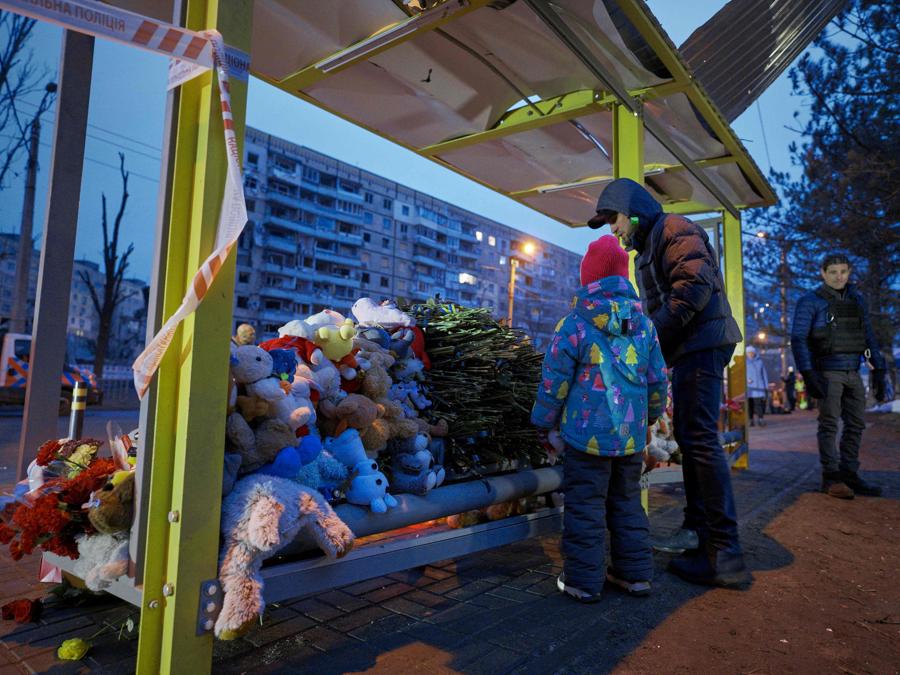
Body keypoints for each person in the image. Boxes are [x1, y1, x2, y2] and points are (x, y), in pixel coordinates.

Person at [588, 177, 751, 588]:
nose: (613, 229)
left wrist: (649, 336)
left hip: (703, 343)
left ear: (632, 209)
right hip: (692, 346)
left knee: (698, 438)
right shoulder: (651, 244)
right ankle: (698, 531)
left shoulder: (673, 229)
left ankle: (724, 551)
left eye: (614, 219)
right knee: (692, 436)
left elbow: (692, 286)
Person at [531, 235, 667, 602]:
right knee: (627, 503)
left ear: (587, 279)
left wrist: (543, 422)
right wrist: (650, 418)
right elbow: (657, 379)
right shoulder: (645, 326)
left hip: (585, 437)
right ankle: (634, 575)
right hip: (629, 438)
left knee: (585, 507)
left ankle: (583, 582)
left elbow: (553, 381)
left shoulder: (574, 324)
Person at [790, 253, 887, 499]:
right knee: (829, 424)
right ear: (823, 273)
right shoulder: (810, 301)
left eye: (843, 271)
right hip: (828, 371)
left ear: (849, 272)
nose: (838, 276)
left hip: (854, 371)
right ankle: (831, 478)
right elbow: (798, 338)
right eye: (833, 272)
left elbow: (867, 335)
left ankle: (849, 474)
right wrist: (808, 373)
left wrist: (879, 367)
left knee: (856, 424)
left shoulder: (857, 300)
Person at [745, 346, 769, 426]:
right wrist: (747, 379)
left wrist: (766, 387)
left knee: (759, 404)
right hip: (749, 388)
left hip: (759, 388)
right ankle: (750, 420)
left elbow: (764, 375)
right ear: (746, 353)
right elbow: (741, 375)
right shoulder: (744, 363)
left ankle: (761, 419)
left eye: (752, 352)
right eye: (749, 352)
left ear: (754, 353)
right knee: (749, 405)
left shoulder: (760, 362)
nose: (750, 354)